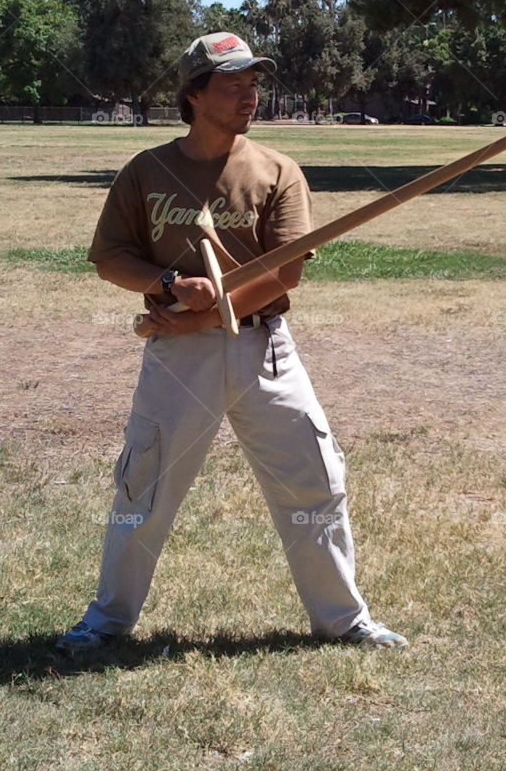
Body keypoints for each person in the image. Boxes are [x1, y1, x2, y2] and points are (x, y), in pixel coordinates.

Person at [57, 32, 407, 656]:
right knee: (146, 484)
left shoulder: (277, 171)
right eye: (232, 83)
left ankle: (343, 621)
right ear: (194, 94)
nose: (248, 94)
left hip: (263, 349)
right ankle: (106, 622)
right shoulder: (145, 171)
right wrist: (169, 284)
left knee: (313, 481)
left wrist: (208, 315)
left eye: (253, 83)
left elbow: (285, 270)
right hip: (177, 360)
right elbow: (108, 256)